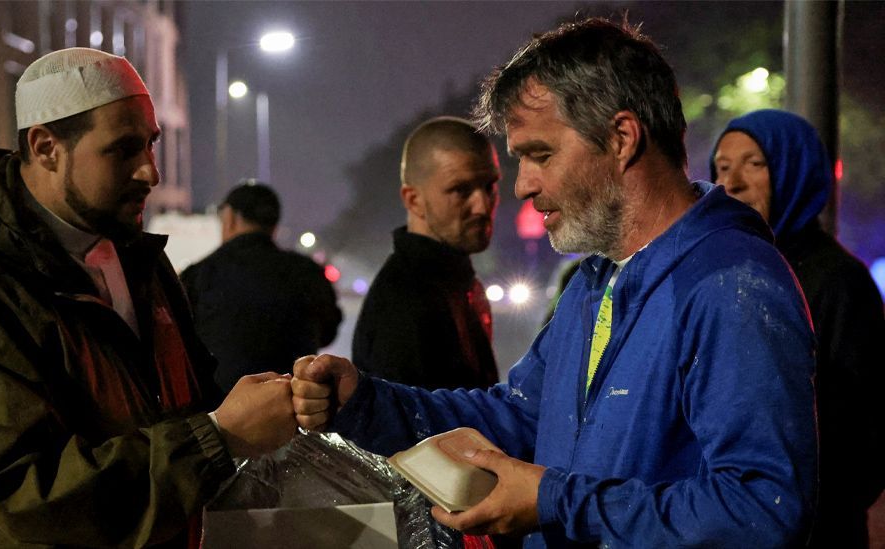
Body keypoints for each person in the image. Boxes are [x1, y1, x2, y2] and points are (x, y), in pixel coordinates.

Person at [292, 18, 818, 548]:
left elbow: (760, 509)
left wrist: (554, 500)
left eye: (540, 155)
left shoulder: (730, 285)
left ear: (621, 139)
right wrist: (365, 402)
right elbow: (520, 414)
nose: (522, 186)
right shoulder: (598, 280)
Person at [0, 48, 298, 547]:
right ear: (46, 146)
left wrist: (265, 404)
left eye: (152, 145)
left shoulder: (137, 255)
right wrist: (219, 437)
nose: (150, 172)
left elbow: (175, 406)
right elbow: (29, 494)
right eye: (123, 149)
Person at [711, 108, 885, 548]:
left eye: (754, 164)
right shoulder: (728, 272)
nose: (731, 183)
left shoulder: (837, 281)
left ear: (794, 170)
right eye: (722, 167)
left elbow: (862, 436)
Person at [351, 116, 501, 390]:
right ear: (413, 200)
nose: (482, 206)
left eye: (489, 186)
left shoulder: (450, 281)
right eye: (460, 190)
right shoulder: (405, 301)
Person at [181, 181, 342, 392]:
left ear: (229, 219)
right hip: (292, 403)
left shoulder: (199, 275)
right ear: (274, 225)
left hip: (223, 409)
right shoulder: (307, 272)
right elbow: (328, 330)